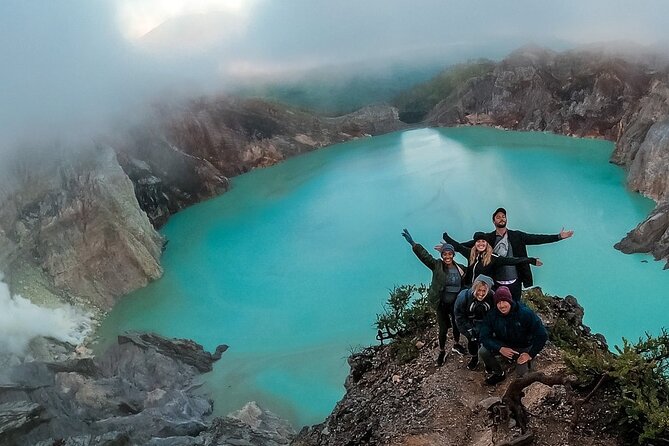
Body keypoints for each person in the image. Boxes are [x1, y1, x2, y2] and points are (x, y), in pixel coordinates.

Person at [446, 207, 573, 301]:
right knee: (496, 305)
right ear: (493, 221)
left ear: (506, 219)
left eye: (503, 216)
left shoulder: (517, 236)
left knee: (514, 305)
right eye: (498, 217)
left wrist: (558, 237)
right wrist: (448, 248)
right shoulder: (489, 238)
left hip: (515, 281)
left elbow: (537, 238)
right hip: (495, 281)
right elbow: (468, 245)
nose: (501, 218)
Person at [401, 228, 466, 366]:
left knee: (456, 324)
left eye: (449, 254)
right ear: (442, 255)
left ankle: (456, 344)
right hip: (441, 303)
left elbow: (470, 274)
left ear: (453, 255)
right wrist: (413, 243)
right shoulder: (437, 265)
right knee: (443, 328)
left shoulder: (460, 268)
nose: (447, 256)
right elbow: (425, 256)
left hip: (455, 303)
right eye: (445, 254)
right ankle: (442, 351)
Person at [478, 286, 548, 385]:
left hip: (523, 348)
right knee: (483, 351)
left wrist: (530, 354)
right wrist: (500, 348)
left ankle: (528, 364)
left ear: (510, 301)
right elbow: (484, 336)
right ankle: (499, 373)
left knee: (522, 377)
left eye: (504, 301)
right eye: (498, 302)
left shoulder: (525, 313)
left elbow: (542, 335)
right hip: (504, 345)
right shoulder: (492, 315)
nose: (501, 305)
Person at [442, 231, 543, 289]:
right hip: (469, 287)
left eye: (483, 241)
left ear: (487, 244)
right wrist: (445, 237)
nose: (481, 243)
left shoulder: (493, 258)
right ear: (475, 244)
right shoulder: (470, 254)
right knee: (461, 300)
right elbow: (458, 246)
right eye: (478, 241)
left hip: (485, 289)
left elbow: (511, 260)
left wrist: (531, 260)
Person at [453, 274, 495, 370]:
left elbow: (495, 314)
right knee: (472, 341)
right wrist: (468, 330)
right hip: (469, 323)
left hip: (485, 323)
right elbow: (459, 316)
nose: (481, 294)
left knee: (486, 343)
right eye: (478, 290)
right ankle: (474, 358)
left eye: (484, 291)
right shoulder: (463, 298)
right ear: (474, 288)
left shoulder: (492, 297)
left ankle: (487, 361)